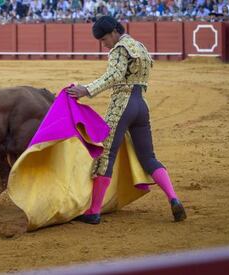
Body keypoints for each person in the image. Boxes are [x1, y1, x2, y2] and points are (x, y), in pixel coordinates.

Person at [67, 16, 187, 224]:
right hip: (141, 104)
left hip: (122, 105)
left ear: (114, 32)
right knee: (148, 157)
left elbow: (113, 76)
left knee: (105, 154)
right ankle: (174, 199)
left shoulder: (119, 48)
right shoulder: (139, 46)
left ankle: (93, 211)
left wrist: (86, 89)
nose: (104, 45)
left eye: (104, 39)